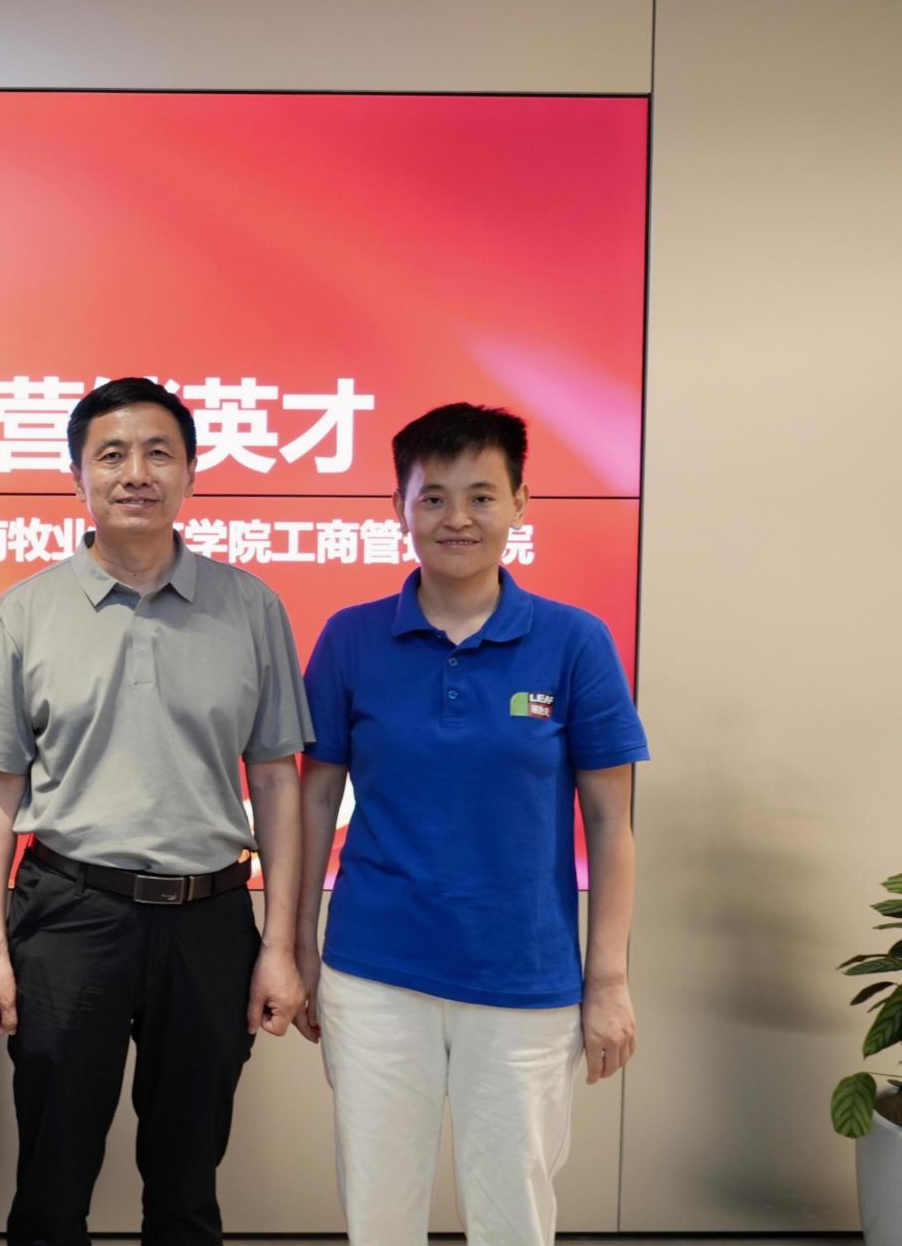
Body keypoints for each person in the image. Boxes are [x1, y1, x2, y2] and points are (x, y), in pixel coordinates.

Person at [0, 376, 314, 1246]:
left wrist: (277, 946)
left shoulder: (251, 608)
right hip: (69, 915)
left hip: (210, 919)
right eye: (112, 455)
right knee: (51, 1184)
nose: (136, 473)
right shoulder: (24, 614)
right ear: (77, 476)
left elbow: (276, 782)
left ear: (191, 472)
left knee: (188, 1188)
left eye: (159, 453)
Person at [293, 404, 648, 1246]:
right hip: (375, 972)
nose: (458, 518)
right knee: (379, 1213)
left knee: (513, 1216)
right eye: (434, 498)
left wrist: (607, 981)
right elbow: (313, 801)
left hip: (523, 978)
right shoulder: (351, 638)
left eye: (482, 496)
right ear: (399, 508)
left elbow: (611, 821)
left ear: (520, 502)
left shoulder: (574, 642)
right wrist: (298, 944)